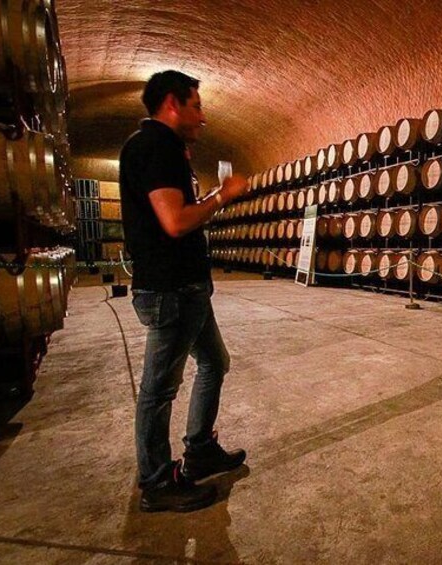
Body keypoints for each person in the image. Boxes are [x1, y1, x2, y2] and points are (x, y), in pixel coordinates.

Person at [120, 70, 250, 512]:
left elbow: (176, 211)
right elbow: (175, 222)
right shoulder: (155, 146)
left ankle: (200, 450)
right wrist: (222, 197)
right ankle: (157, 482)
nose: (203, 116)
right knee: (159, 389)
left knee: (215, 362)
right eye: (196, 105)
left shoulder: (166, 148)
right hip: (171, 290)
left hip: (187, 289)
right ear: (172, 104)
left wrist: (210, 195)